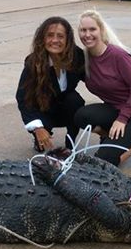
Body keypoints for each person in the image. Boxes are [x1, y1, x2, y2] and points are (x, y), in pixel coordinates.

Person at [74, 10, 131, 166]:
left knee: (104, 160)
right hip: (114, 109)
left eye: (92, 29)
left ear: (101, 30)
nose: (87, 34)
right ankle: (112, 137)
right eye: (83, 30)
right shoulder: (84, 59)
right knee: (81, 116)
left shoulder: (118, 56)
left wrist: (122, 119)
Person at [16, 16, 86, 152]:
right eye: (50, 35)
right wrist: (38, 128)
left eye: (60, 36)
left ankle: (71, 141)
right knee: (41, 146)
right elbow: (22, 98)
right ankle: (41, 135)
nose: (55, 40)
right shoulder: (33, 62)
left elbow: (94, 80)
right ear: (43, 38)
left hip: (66, 109)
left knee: (74, 100)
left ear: (68, 40)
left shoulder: (76, 56)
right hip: (43, 110)